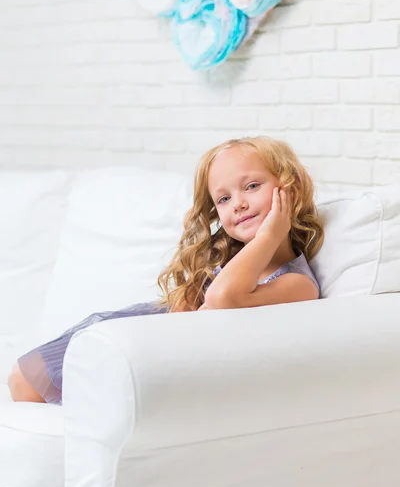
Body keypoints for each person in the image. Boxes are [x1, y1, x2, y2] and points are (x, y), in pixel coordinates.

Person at [8, 136, 323, 405]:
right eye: (224, 199)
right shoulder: (222, 263)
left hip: (175, 373)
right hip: (151, 342)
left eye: (251, 186)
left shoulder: (297, 282)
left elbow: (224, 297)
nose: (237, 203)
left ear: (289, 189)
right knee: (23, 379)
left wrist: (269, 236)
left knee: (32, 383)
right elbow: (180, 317)